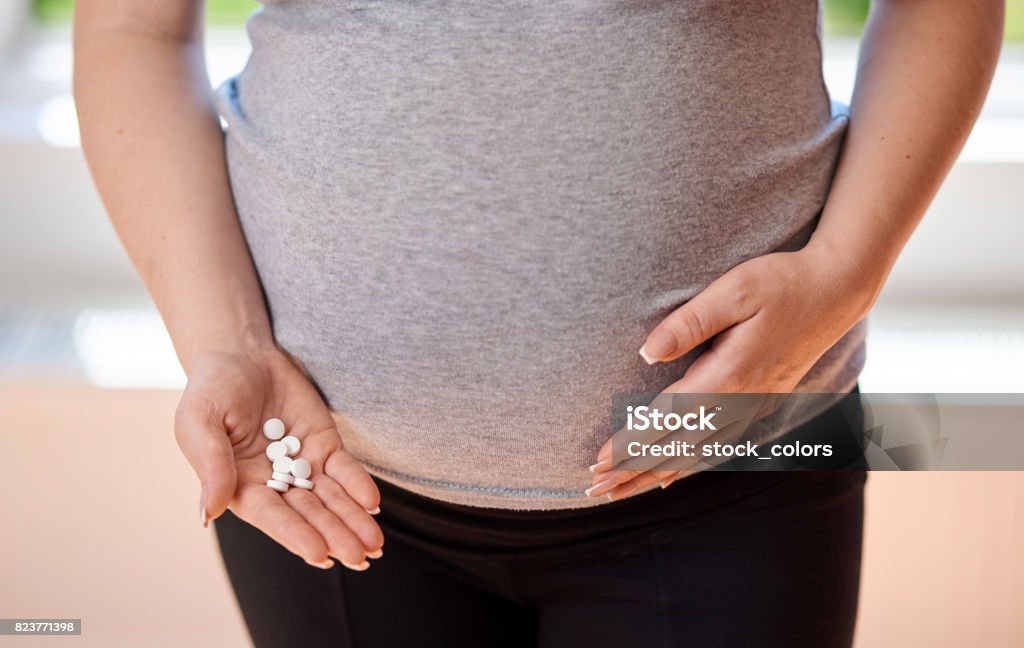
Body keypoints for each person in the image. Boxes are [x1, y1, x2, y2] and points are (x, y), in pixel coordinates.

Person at [72, 1, 1002, 646]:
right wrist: (224, 343)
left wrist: (841, 278)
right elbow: (131, 26)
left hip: (742, 464)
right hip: (324, 481)